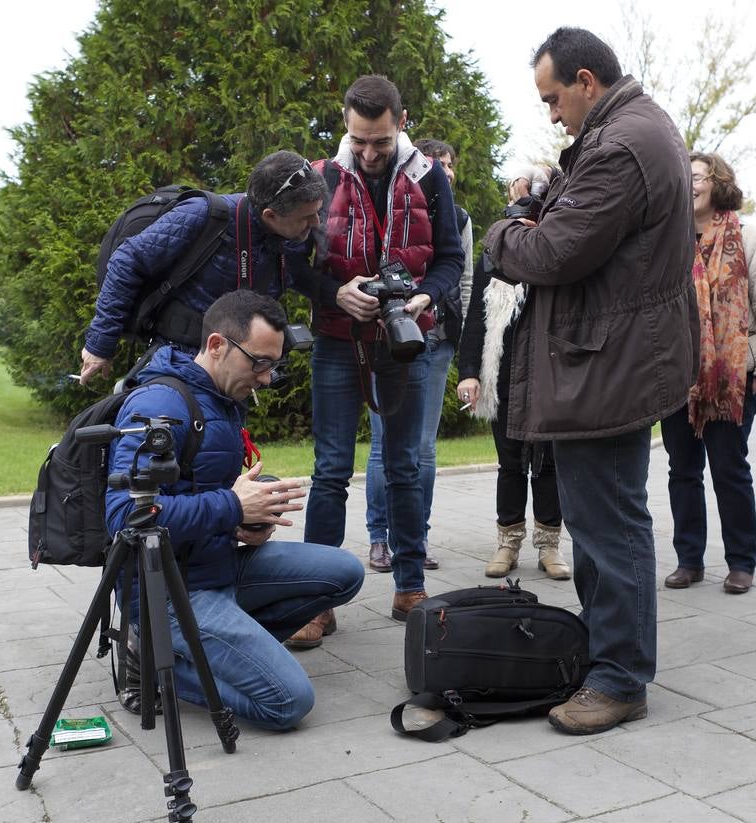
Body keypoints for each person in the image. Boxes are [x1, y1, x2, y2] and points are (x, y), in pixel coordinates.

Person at [483, 28, 696, 733]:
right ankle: (609, 657)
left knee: (608, 523)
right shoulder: (633, 130)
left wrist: (501, 234)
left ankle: (620, 677)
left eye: (552, 99)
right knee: (605, 517)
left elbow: (552, 251)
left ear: (584, 80)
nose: (551, 115)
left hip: (606, 365)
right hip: (610, 357)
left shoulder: (620, 145)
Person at [105, 291, 365, 730]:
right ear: (216, 345)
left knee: (345, 571)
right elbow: (123, 516)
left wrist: (248, 519)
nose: (266, 378)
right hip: (171, 591)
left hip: (217, 564)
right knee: (288, 703)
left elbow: (203, 491)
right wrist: (231, 505)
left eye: (273, 365)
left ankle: (223, 646)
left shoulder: (222, 398)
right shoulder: (160, 405)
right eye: (258, 363)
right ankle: (150, 661)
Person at [300, 75, 463, 631]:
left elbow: (449, 260)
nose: (369, 153)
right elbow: (296, 265)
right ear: (346, 124)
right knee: (329, 471)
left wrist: (426, 295)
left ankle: (410, 588)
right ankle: (313, 600)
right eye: (360, 140)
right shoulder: (321, 178)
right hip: (336, 341)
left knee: (404, 466)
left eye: (381, 142)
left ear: (402, 122)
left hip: (404, 340)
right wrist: (334, 292)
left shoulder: (431, 179)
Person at [80, 150, 326, 384]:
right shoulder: (205, 216)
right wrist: (100, 345)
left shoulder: (290, 238)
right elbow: (126, 262)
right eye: (306, 217)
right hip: (177, 363)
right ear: (270, 215)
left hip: (235, 370)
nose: (315, 223)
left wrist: (339, 293)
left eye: (317, 212)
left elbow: (298, 275)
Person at [661, 153, 756, 595]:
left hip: (734, 375)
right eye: (684, 177)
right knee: (683, 469)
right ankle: (688, 559)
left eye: (696, 176)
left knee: (729, 468)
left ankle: (741, 562)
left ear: (717, 182)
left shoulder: (746, 237)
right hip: (678, 375)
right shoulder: (668, 238)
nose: (688, 183)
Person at [363, 137, 475, 573]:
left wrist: (462, 342)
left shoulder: (458, 217)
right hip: (385, 335)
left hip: (437, 336)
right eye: (437, 164)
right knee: (382, 446)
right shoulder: (391, 203)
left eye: (450, 164)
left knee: (423, 450)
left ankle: (416, 535)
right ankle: (378, 538)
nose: (444, 171)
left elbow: (461, 280)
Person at [458, 165, 571, 582]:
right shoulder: (495, 251)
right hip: (503, 373)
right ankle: (507, 541)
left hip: (547, 374)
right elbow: (477, 318)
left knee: (548, 463)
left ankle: (549, 544)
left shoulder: (560, 251)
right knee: (510, 462)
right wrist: (469, 372)